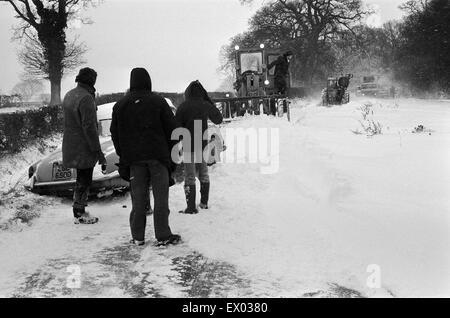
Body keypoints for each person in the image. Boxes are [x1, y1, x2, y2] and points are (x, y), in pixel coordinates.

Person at [110, 68, 180, 246]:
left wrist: (123, 154)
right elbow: (173, 130)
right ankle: (163, 235)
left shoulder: (120, 105)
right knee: (161, 197)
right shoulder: (159, 101)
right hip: (158, 157)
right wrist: (171, 155)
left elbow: (115, 134)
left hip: (134, 160)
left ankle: (138, 236)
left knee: (138, 199)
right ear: (148, 81)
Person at [62, 67, 106, 224]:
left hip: (70, 143)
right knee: (84, 179)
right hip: (83, 146)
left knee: (81, 177)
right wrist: (97, 151)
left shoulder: (69, 95)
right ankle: (79, 212)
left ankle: (78, 209)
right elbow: (89, 127)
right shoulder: (86, 98)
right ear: (91, 81)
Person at [176, 80, 223, 214]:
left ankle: (191, 208)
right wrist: (209, 104)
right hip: (202, 146)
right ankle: (204, 203)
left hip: (188, 146)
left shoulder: (183, 106)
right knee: (204, 174)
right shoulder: (204, 104)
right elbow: (218, 119)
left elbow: (176, 127)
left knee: (190, 176)